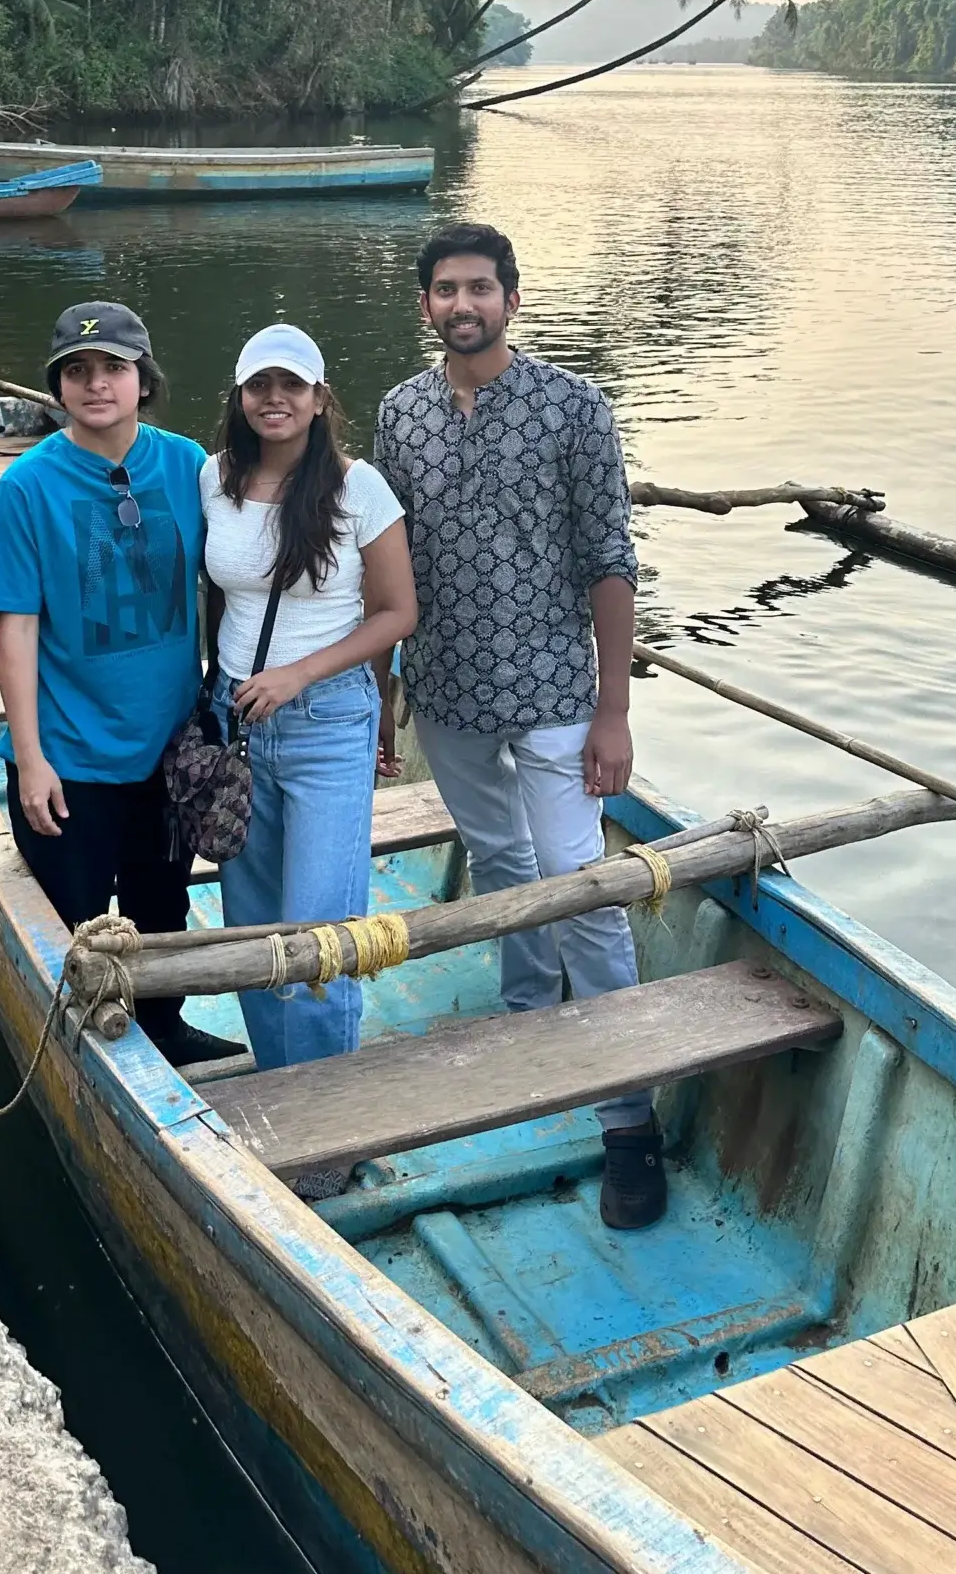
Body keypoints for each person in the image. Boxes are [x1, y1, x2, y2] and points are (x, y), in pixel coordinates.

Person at [372, 223, 666, 1228]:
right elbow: (385, 564)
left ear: (512, 299)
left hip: (553, 692)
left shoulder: (572, 406)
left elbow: (611, 561)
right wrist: (386, 692)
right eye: (446, 290)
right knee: (499, 859)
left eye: (481, 289)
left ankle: (629, 1118)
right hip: (446, 689)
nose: (464, 304)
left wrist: (614, 707)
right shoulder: (401, 412)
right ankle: (528, 1019)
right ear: (426, 306)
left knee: (584, 885)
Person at [0, 298, 239, 1070]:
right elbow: (13, 634)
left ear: (141, 380)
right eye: (77, 371)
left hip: (167, 748)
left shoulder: (187, 464)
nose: (96, 385)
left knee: (161, 907)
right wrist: (31, 759)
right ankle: (83, 1053)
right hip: (71, 756)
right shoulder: (27, 488)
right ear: (57, 387)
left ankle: (164, 1026)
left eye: (113, 368)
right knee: (77, 925)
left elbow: (238, 572)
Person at [202, 325, 416, 1119]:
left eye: (293, 385)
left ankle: (329, 1120)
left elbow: (398, 612)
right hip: (239, 725)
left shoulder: (361, 491)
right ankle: (280, 1090)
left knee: (321, 937)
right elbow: (219, 595)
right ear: (240, 396)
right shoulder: (213, 478)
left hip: (327, 722)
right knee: (254, 932)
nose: (275, 399)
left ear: (321, 399)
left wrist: (300, 673)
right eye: (260, 385)